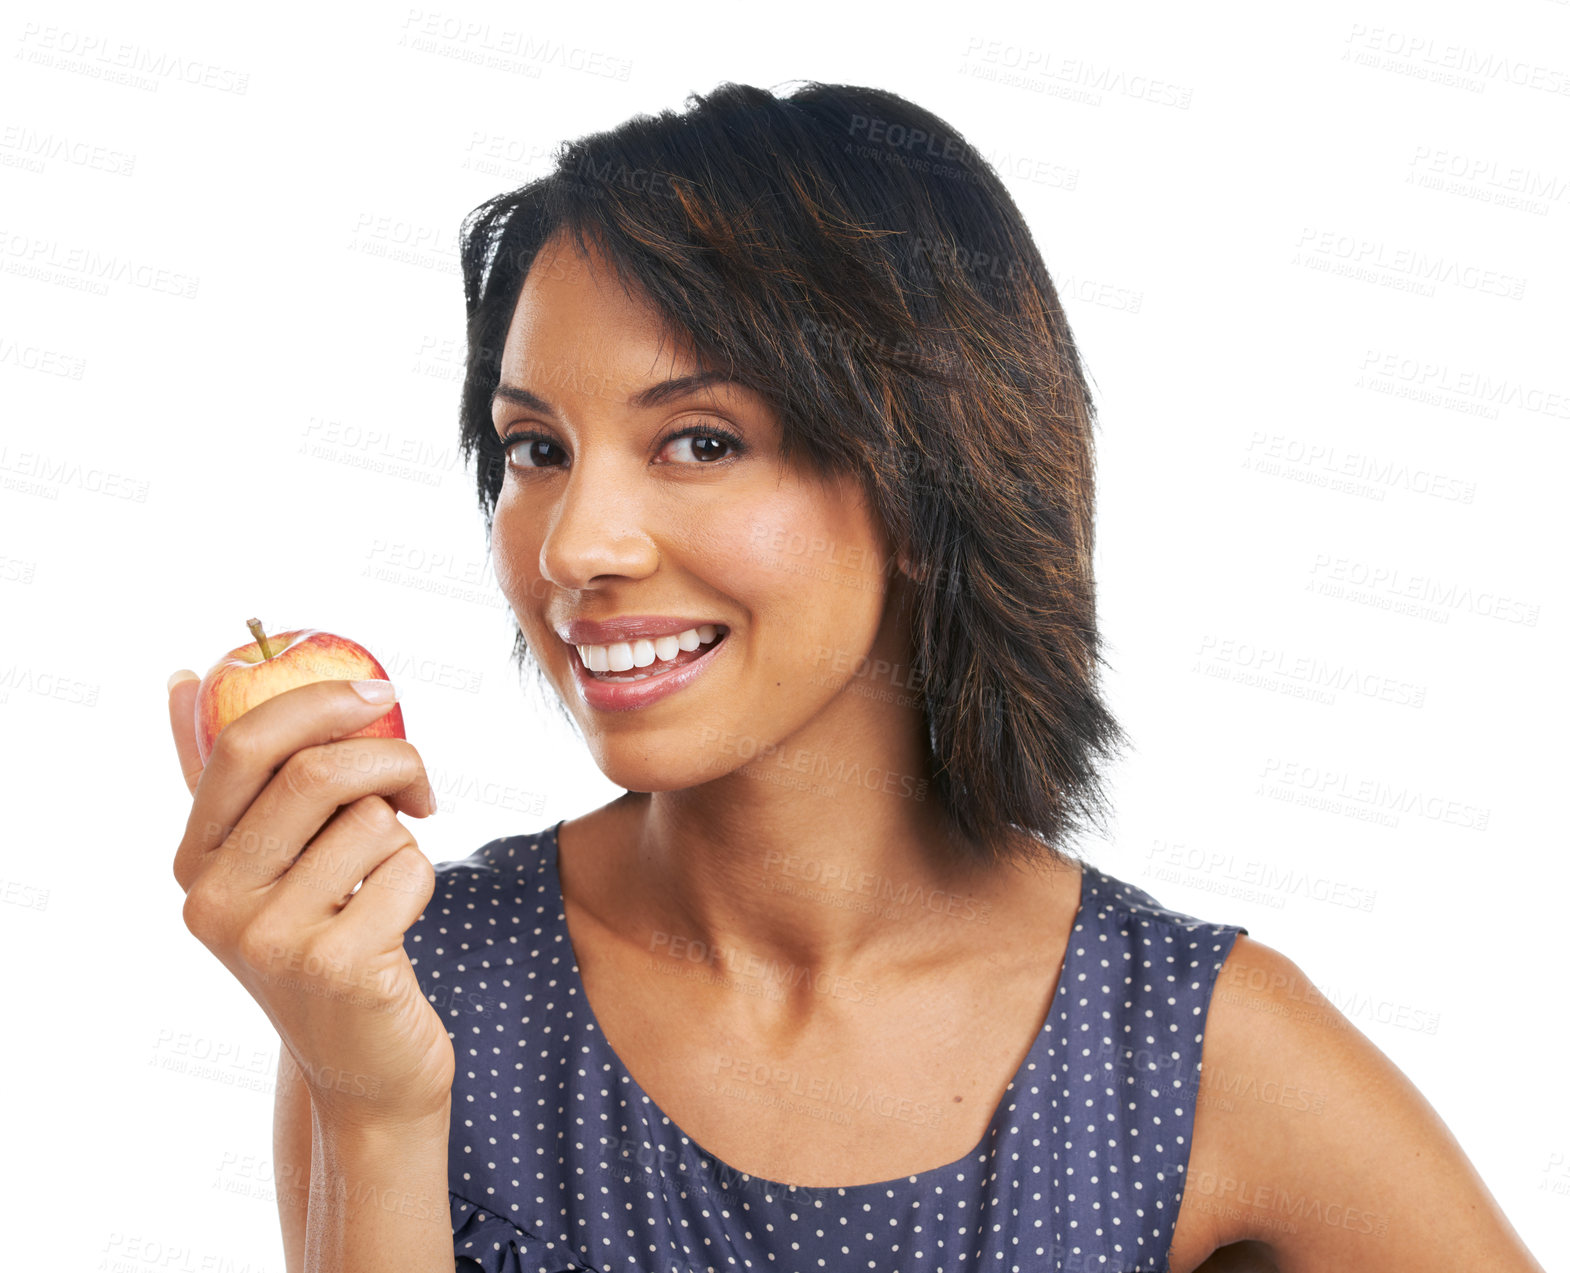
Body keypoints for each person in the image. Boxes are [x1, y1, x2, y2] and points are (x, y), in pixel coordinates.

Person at [166, 81, 1547, 1273]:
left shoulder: (1192, 1050)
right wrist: (372, 1100)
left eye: (700, 440)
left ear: (927, 470)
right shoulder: (412, 993)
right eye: (535, 447)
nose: (576, 544)